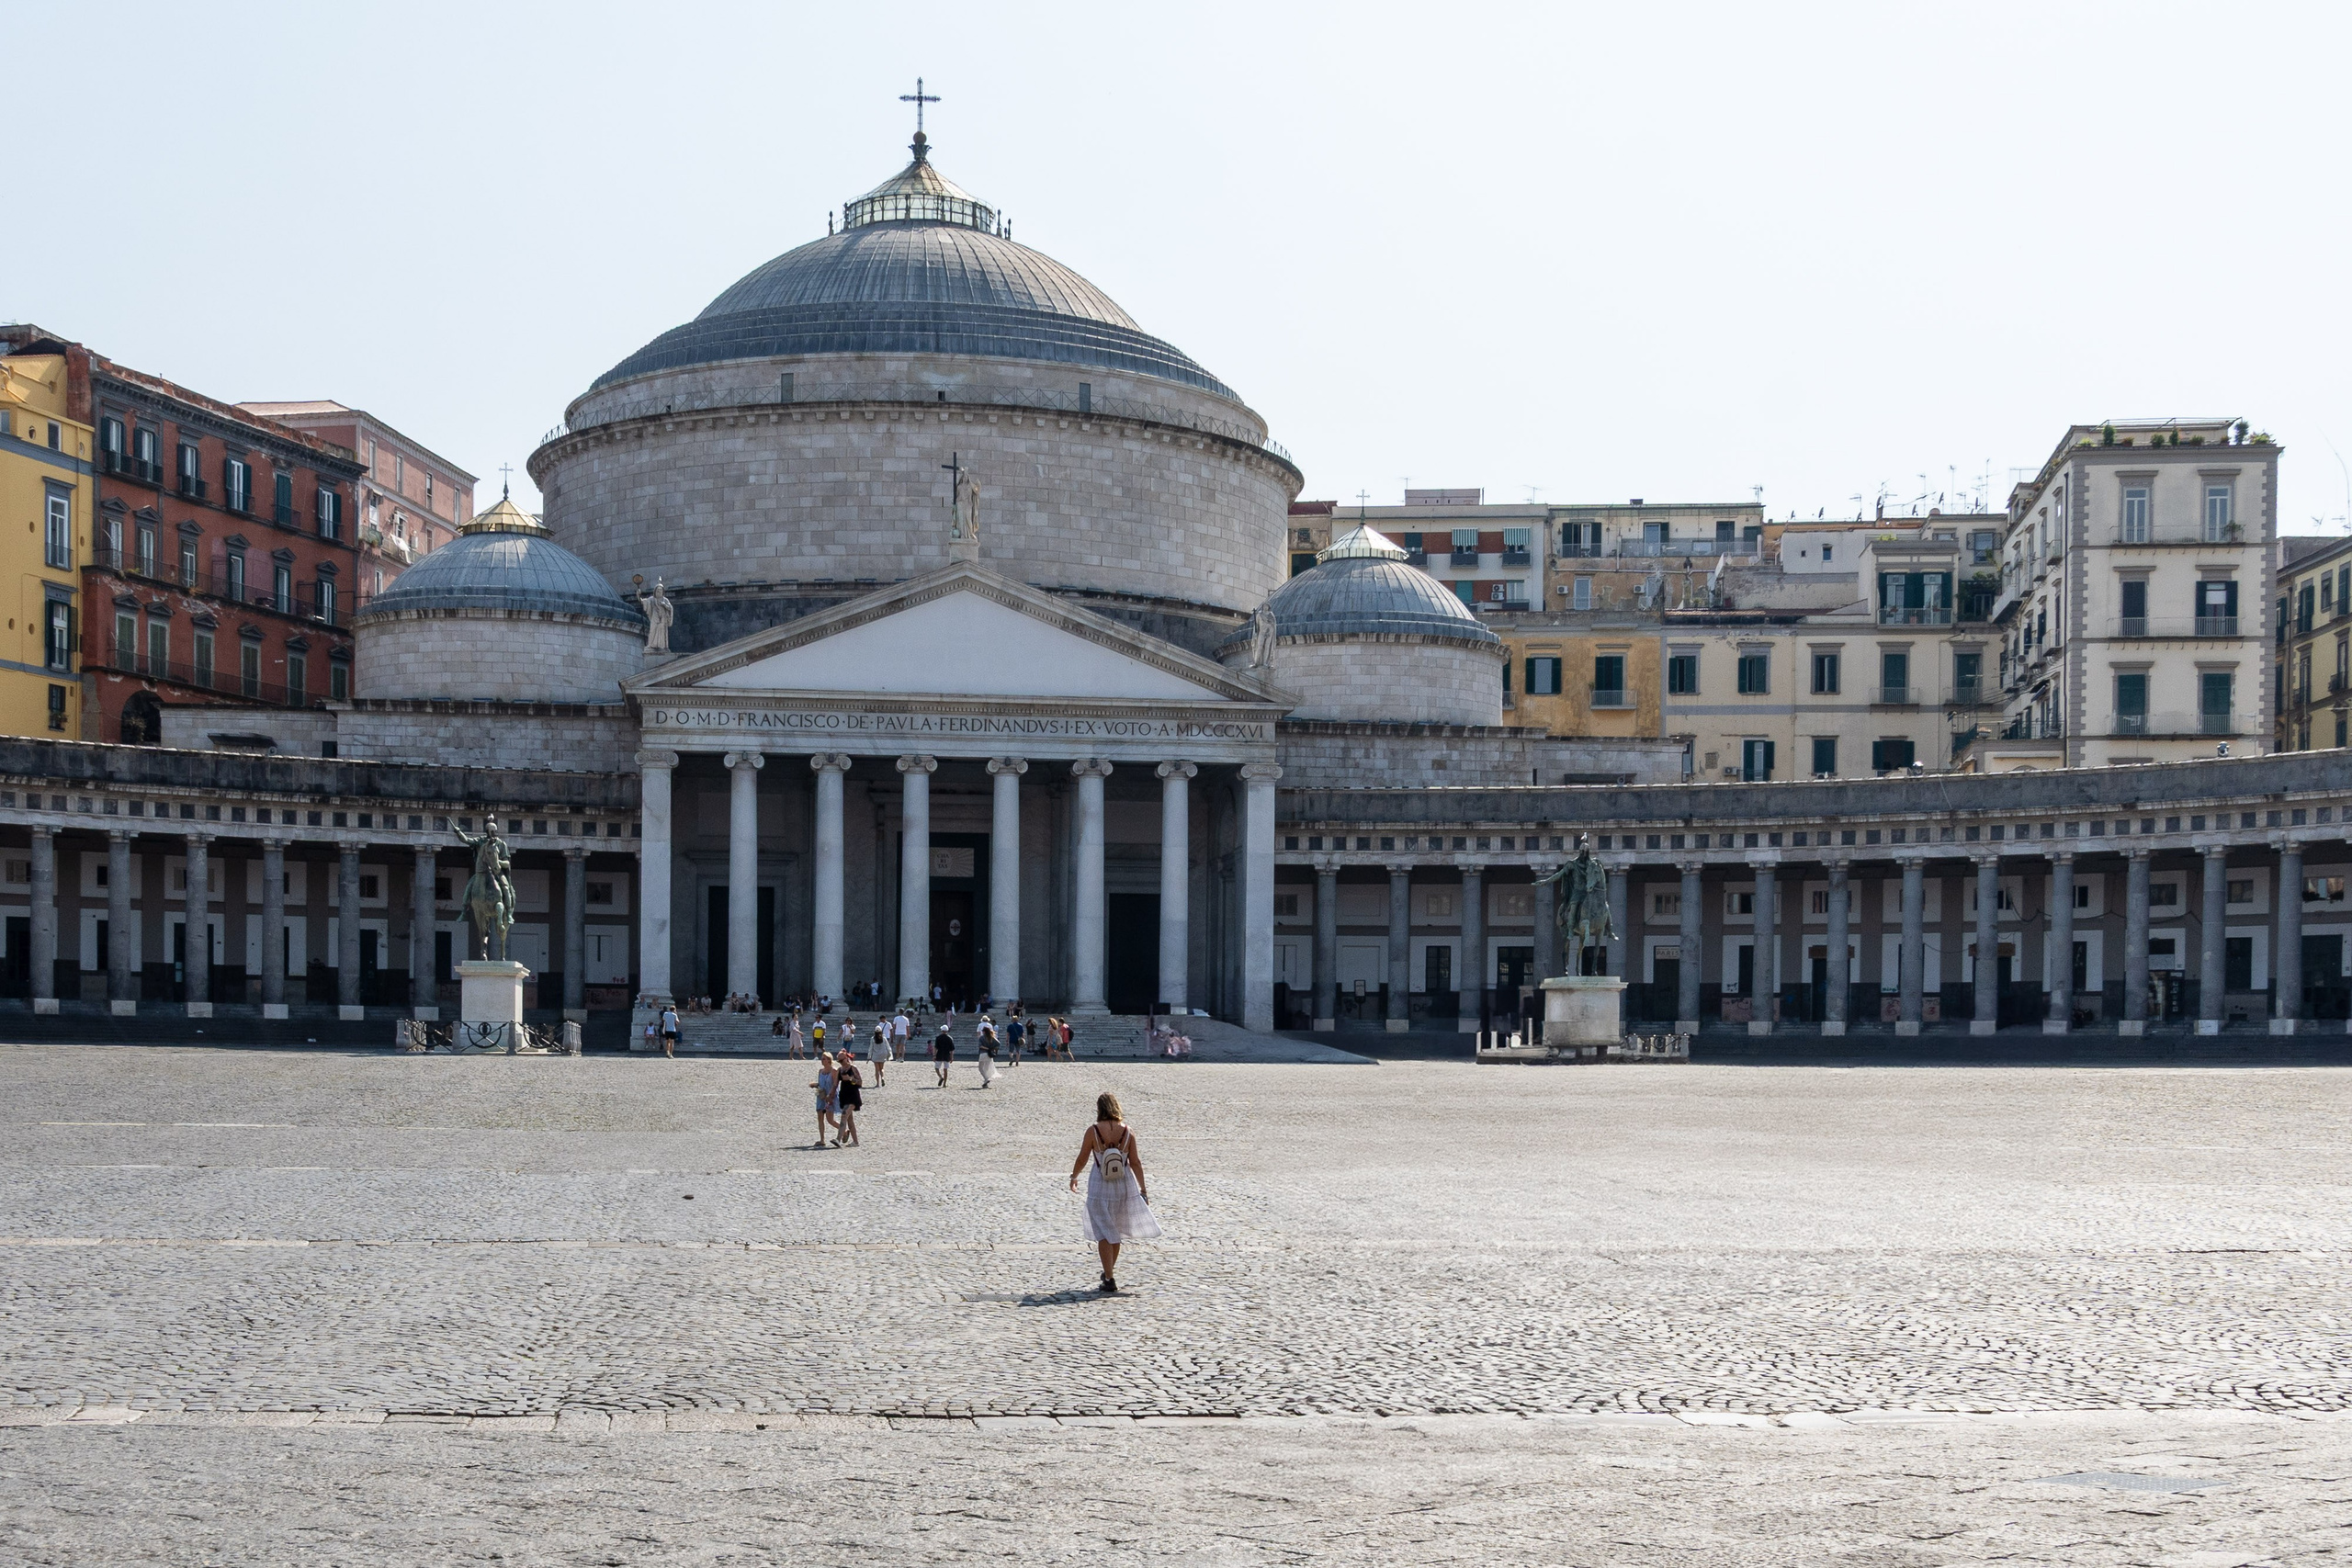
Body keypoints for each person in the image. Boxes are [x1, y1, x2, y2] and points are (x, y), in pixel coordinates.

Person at [1068, 1091, 1160, 1293]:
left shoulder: (1093, 1131)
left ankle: (1109, 1277)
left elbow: (1083, 1157)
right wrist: (1143, 1189)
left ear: (1099, 1109)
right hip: (1123, 1184)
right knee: (1115, 1231)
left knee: (1103, 1231)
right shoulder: (1127, 1131)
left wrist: (1074, 1176)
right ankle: (1109, 1273)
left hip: (1100, 1184)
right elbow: (1135, 1162)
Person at [834, 1052, 863, 1146]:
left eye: (842, 1060)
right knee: (849, 1120)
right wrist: (830, 1095)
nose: (841, 1062)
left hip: (853, 1096)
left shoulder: (853, 1068)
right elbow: (835, 1084)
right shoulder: (840, 1070)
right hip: (844, 1096)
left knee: (844, 1115)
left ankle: (838, 1139)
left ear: (846, 1058)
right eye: (839, 1061)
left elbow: (860, 1082)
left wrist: (850, 1079)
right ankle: (855, 1141)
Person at [811, 1052, 840, 1148]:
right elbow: (820, 1084)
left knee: (830, 1120)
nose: (822, 1060)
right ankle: (822, 1139)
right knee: (820, 1117)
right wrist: (815, 1085)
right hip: (821, 1096)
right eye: (821, 1058)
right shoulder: (820, 1071)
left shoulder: (834, 1071)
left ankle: (843, 1131)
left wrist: (830, 1096)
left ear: (829, 1060)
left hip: (830, 1097)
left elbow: (835, 1085)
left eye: (824, 1059)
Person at [976, 1015, 999, 1088]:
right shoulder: (990, 1028)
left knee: (980, 1068)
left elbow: (979, 1036)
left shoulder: (981, 1036)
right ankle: (986, 1081)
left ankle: (986, 1078)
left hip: (983, 1052)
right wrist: (993, 1049)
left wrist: (986, 1048)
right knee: (987, 1067)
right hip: (990, 1053)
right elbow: (998, 1043)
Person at [932, 1021, 956, 1088]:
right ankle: (944, 1083)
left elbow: (936, 1047)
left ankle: (940, 1077)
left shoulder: (938, 1038)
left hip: (939, 1054)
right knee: (945, 1069)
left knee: (937, 1068)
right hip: (947, 1055)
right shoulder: (950, 1038)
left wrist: (934, 1055)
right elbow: (952, 1049)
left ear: (942, 1030)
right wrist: (952, 1057)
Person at [868, 1018, 891, 1087]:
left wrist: (869, 1056)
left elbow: (871, 1048)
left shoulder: (873, 1039)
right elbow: (888, 1046)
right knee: (882, 1069)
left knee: (877, 1070)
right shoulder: (884, 1038)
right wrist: (889, 1054)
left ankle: (878, 1083)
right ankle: (883, 1078)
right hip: (883, 1054)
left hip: (876, 1055)